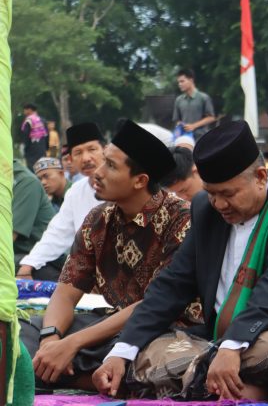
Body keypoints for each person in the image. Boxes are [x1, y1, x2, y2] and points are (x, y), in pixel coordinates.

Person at [93, 121, 268, 401]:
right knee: (135, 348)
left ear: (260, 177)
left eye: (228, 194)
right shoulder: (204, 208)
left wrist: (232, 346)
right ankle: (220, 383)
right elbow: (173, 283)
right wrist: (122, 351)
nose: (219, 204)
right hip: (213, 340)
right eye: (211, 193)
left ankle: (196, 380)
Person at [20, 120, 187, 390]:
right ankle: (64, 370)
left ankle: (66, 372)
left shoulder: (181, 220)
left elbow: (155, 304)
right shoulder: (99, 218)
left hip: (159, 331)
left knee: (165, 364)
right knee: (19, 332)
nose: (96, 172)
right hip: (108, 325)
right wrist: (51, 341)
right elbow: (66, 291)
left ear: (140, 181)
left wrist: (72, 343)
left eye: (110, 165)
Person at [17, 123, 104, 281]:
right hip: (88, 273)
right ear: (70, 160)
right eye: (78, 153)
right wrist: (27, 266)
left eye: (92, 149)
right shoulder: (76, 191)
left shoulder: (124, 186)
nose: (85, 158)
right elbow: (57, 234)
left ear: (105, 151)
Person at [12, 159, 56, 268]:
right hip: (23, 254)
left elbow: (9, 237)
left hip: (47, 260)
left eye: (46, 176)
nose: (44, 182)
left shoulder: (25, 181)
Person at [172, 69, 216, 141]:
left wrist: (193, 126)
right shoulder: (178, 100)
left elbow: (211, 117)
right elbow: (177, 120)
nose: (179, 84)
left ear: (191, 80)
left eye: (182, 81)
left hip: (202, 138)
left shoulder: (204, 97)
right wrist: (180, 125)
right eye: (178, 82)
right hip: (184, 139)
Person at [21, 103, 48, 170]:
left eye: (24, 110)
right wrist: (46, 148)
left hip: (31, 150)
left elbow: (26, 137)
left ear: (29, 110)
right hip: (42, 149)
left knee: (32, 169)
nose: (24, 112)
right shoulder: (43, 120)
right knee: (42, 168)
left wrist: (25, 149)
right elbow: (47, 136)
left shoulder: (28, 121)